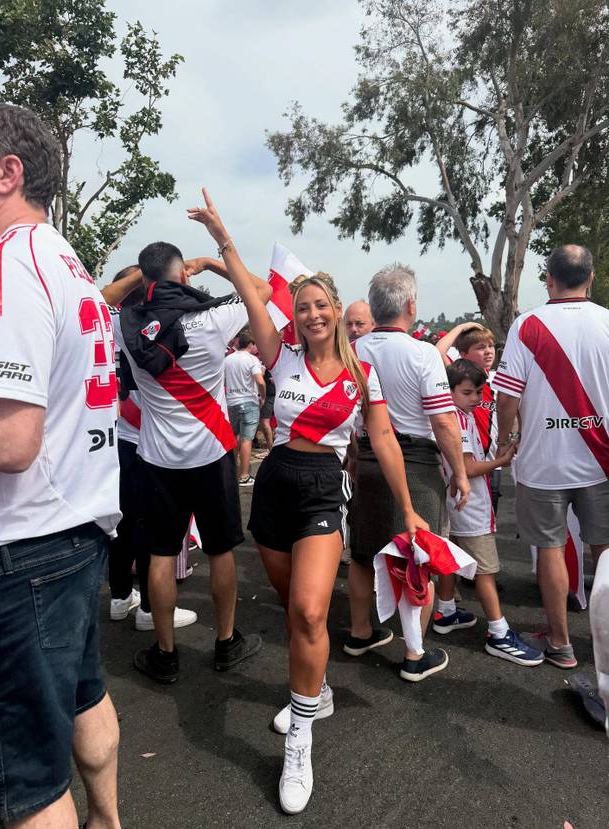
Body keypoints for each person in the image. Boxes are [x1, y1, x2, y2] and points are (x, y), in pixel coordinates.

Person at [188, 188, 428, 815]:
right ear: (296, 314)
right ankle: (313, 690)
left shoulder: (361, 373)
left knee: (309, 612)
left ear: (336, 310)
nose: (316, 314)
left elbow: (384, 443)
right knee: (290, 600)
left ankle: (301, 734)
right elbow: (246, 291)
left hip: (324, 489)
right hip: (274, 485)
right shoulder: (280, 352)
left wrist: (408, 509)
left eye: (323, 305)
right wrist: (225, 241)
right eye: (307, 306)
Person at [0, 103, 121, 828]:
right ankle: (109, 818)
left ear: (9, 173)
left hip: (19, 544)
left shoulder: (6, 263)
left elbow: (9, 442)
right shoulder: (66, 260)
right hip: (76, 529)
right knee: (82, 694)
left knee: (24, 781)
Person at [112, 245, 267, 683]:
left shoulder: (126, 325)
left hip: (158, 458)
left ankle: (165, 654)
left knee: (160, 554)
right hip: (212, 452)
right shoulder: (213, 318)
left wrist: (140, 282)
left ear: (146, 280)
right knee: (220, 551)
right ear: (182, 276)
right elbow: (263, 290)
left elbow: (98, 298)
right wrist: (214, 264)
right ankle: (225, 641)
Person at [347, 263, 474, 670]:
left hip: (366, 458)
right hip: (416, 463)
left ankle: (360, 633)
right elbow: (442, 420)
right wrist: (459, 470)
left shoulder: (352, 351)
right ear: (411, 306)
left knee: (364, 554)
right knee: (418, 557)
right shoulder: (422, 353)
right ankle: (415, 652)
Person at [494, 244, 609, 668]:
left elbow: (508, 397)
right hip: (601, 458)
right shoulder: (607, 322)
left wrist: (504, 442)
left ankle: (560, 643)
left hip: (543, 461)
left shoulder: (527, 326)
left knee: (550, 549)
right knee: (606, 552)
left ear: (549, 279)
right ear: (591, 278)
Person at [106, 266, 197, 631]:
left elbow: (99, 298)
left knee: (122, 521)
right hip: (149, 440)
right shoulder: (149, 323)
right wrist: (151, 276)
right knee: (150, 526)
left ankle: (119, 597)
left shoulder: (110, 322)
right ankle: (149, 610)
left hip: (121, 438)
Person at [442, 360, 544, 664]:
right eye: (468, 392)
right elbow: (469, 467)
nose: (475, 398)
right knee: (485, 569)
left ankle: (445, 612)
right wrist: (501, 461)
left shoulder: (459, 415)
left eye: (478, 392)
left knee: (451, 557)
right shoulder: (457, 420)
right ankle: (498, 633)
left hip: (459, 500)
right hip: (470, 504)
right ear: (448, 391)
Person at [438, 323, 501, 512]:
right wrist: (462, 328)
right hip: (466, 460)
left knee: (489, 516)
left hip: (491, 462)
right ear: (463, 354)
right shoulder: (460, 377)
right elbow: (438, 351)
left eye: (491, 346)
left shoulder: (499, 379)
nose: (488, 352)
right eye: (481, 348)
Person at [224, 328, 266, 485]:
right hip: (249, 401)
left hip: (231, 402)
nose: (257, 348)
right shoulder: (252, 360)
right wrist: (262, 396)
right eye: (255, 344)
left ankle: (230, 472)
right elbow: (260, 381)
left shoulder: (227, 359)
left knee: (233, 438)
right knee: (247, 439)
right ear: (250, 344)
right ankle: (244, 476)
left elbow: (223, 381)